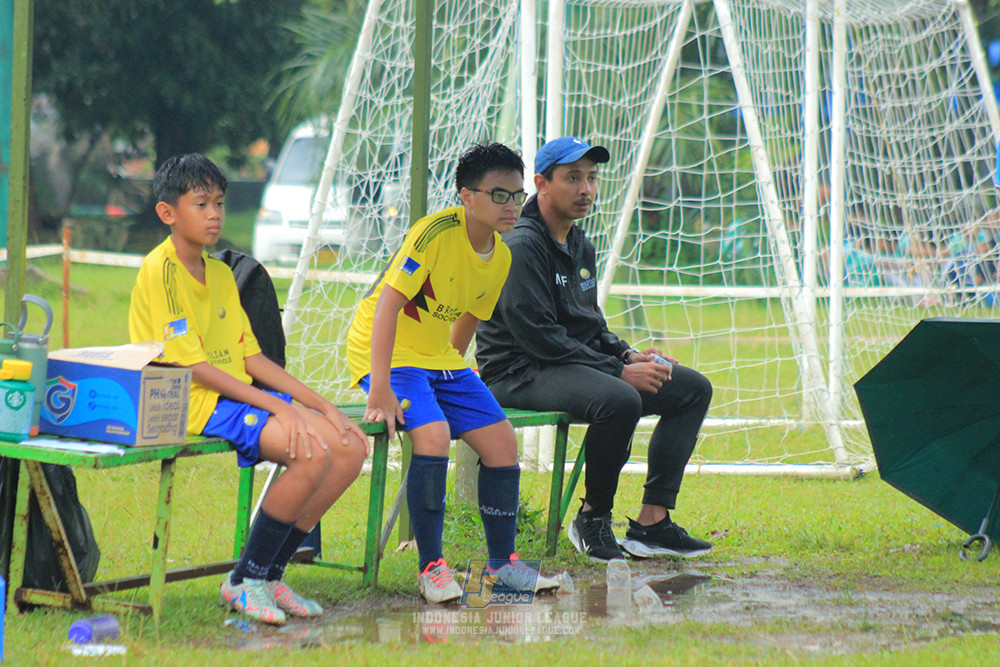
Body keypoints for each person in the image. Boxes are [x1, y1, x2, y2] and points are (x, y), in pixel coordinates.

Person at [129, 154, 368, 625]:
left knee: (347, 447)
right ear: (168, 213)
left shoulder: (219, 273)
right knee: (311, 453)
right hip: (185, 403)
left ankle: (270, 576)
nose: (215, 214)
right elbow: (192, 366)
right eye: (201, 204)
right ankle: (244, 578)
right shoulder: (161, 271)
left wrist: (317, 404)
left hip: (235, 396)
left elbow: (252, 359)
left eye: (219, 202)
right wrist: (280, 411)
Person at [476, 136, 714, 562]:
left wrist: (628, 355)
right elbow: (539, 337)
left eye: (591, 178)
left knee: (691, 388)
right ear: (542, 184)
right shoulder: (522, 245)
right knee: (619, 399)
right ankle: (592, 518)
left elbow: (588, 323)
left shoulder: (579, 243)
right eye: (572, 178)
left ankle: (652, 524)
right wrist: (618, 372)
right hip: (516, 373)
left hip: (565, 364)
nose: (585, 189)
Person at [347, 142, 559, 603]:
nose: (511, 205)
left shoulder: (502, 255)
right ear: (467, 196)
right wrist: (380, 388)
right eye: (498, 194)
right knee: (434, 435)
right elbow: (387, 304)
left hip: (438, 358)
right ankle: (432, 569)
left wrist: (449, 381)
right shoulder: (435, 232)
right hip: (385, 352)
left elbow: (467, 321)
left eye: (517, 195)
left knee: (503, 442)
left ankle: (502, 567)